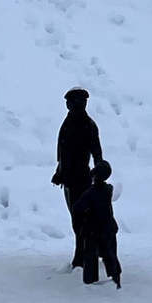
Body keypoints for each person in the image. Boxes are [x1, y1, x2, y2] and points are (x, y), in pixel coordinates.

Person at [54, 87, 107, 266]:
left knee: (82, 220)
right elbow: (64, 151)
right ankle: (87, 250)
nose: (76, 106)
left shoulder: (88, 126)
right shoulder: (68, 123)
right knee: (76, 219)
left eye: (80, 102)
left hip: (81, 178)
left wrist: (99, 168)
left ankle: (83, 254)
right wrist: (59, 171)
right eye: (72, 102)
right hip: (68, 178)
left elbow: (96, 151)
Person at [73, 157, 122, 288]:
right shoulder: (108, 190)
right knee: (110, 254)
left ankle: (90, 280)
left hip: (93, 229)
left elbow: (77, 208)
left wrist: (83, 221)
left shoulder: (90, 193)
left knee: (90, 255)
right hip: (108, 227)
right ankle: (115, 277)